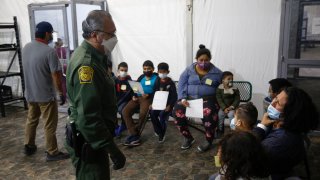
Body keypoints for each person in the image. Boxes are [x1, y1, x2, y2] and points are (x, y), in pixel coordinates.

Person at [65, 10, 126, 179]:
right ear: (94, 35)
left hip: (95, 140)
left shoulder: (96, 57)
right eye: (110, 34)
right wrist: (113, 150)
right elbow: (89, 117)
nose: (114, 38)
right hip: (89, 141)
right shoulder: (87, 66)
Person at [22, 21, 69, 161]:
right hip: (45, 96)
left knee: (31, 120)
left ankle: (28, 145)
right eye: (51, 34)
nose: (51, 37)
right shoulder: (49, 52)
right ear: (47, 33)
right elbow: (56, 75)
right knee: (49, 124)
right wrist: (61, 93)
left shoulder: (26, 48)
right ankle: (52, 152)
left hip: (30, 94)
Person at [254, 87, 319, 179]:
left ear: (291, 113)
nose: (272, 103)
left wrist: (261, 127)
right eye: (275, 98)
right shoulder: (280, 124)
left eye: (278, 103)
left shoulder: (279, 142)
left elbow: (248, 152)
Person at [173, 44, 222, 152]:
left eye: (206, 60)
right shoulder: (189, 70)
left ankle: (209, 140)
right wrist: (182, 98)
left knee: (208, 113)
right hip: (189, 99)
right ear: (196, 59)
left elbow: (223, 88)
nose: (203, 62)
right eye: (201, 60)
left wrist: (224, 102)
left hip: (208, 99)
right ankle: (188, 137)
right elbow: (181, 84)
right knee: (177, 112)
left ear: (210, 59)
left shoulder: (217, 73)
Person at [122, 60, 159, 146]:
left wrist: (149, 95)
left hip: (148, 99)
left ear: (153, 69)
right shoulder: (141, 76)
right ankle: (134, 133)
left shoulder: (156, 79)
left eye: (148, 69)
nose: (146, 70)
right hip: (137, 97)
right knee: (125, 112)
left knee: (143, 114)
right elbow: (135, 86)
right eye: (144, 69)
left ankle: (135, 134)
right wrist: (134, 95)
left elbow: (158, 91)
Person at [150, 62, 178, 143]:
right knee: (152, 113)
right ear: (158, 72)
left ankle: (161, 134)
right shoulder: (157, 80)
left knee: (162, 115)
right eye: (160, 72)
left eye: (164, 72)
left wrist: (169, 106)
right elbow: (154, 93)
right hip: (157, 104)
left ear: (168, 72)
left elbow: (174, 96)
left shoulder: (170, 82)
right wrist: (152, 104)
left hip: (167, 105)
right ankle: (158, 130)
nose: (162, 74)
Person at [216, 71, 240, 136]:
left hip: (231, 107)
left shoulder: (235, 89)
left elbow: (237, 99)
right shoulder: (220, 88)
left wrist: (232, 107)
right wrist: (224, 108)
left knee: (231, 115)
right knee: (220, 114)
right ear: (223, 80)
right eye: (228, 79)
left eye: (232, 79)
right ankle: (220, 129)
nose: (231, 80)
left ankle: (232, 130)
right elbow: (219, 99)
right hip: (223, 107)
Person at [114, 62, 133, 137]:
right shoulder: (114, 80)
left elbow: (135, 89)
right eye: (122, 70)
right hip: (116, 101)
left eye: (125, 70)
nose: (123, 72)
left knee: (122, 109)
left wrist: (134, 95)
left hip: (125, 101)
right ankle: (115, 126)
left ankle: (123, 125)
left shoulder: (129, 80)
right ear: (118, 70)